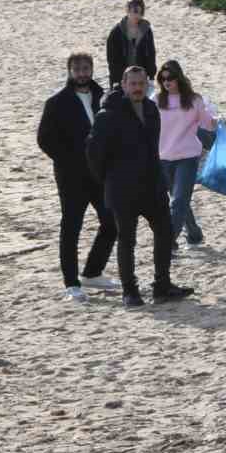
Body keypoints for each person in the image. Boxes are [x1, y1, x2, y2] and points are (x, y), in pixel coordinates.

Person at [86, 66, 194, 307]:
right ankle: (130, 291)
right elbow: (94, 154)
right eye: (132, 84)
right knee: (127, 240)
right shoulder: (108, 114)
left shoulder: (150, 108)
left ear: (147, 85)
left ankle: (162, 286)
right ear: (123, 85)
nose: (137, 88)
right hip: (122, 189)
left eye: (141, 84)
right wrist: (109, 180)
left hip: (153, 185)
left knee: (165, 233)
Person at [36, 52, 118, 302]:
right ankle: (71, 283)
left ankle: (92, 272)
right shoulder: (56, 102)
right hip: (71, 176)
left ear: (92, 69)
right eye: (77, 69)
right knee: (71, 227)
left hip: (99, 173)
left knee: (111, 222)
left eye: (86, 68)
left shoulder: (103, 97)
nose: (82, 73)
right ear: (70, 71)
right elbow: (44, 140)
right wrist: (70, 160)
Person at [155, 60, 216, 249]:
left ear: (179, 78)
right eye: (163, 78)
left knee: (180, 199)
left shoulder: (194, 100)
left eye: (171, 78)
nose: (167, 82)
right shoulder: (156, 100)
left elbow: (207, 124)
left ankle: (168, 241)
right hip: (163, 157)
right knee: (177, 199)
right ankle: (194, 233)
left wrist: (217, 121)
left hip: (188, 157)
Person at [106, 0, 157, 85]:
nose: (138, 15)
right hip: (122, 79)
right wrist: (116, 80)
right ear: (127, 10)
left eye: (141, 12)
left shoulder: (146, 30)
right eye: (135, 11)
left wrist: (151, 75)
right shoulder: (116, 32)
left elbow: (151, 54)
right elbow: (112, 59)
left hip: (142, 77)